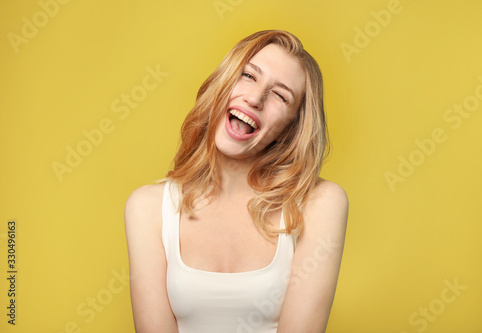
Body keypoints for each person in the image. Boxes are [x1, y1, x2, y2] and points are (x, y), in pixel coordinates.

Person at [124, 30, 349, 333]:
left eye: (281, 95)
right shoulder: (147, 208)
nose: (255, 98)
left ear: (289, 129)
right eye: (248, 76)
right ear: (223, 83)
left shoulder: (319, 204)